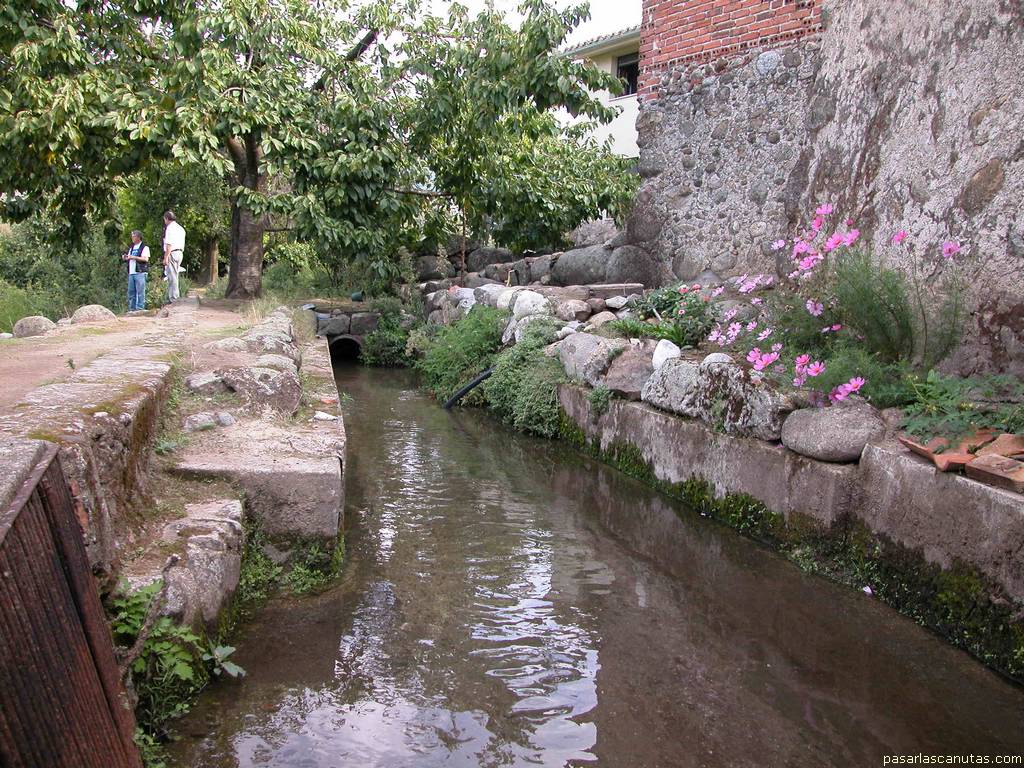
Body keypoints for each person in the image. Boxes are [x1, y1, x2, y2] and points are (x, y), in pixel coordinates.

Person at [123, 230, 150, 311]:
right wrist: (126, 257)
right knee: (131, 292)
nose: (132, 238)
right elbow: (129, 257)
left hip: (140, 272)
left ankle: (140, 308)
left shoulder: (144, 247)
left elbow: (145, 259)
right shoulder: (131, 248)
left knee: (140, 292)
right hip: (131, 272)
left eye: (133, 236)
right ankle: (132, 309)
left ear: (138, 237)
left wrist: (133, 257)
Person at [162, 210, 186, 302]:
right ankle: (175, 296)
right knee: (175, 274)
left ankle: (174, 298)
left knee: (171, 276)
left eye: (164, 219)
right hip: (180, 253)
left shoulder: (170, 228)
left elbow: (169, 244)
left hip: (172, 252)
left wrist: (166, 257)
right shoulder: (180, 228)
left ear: (167, 218)